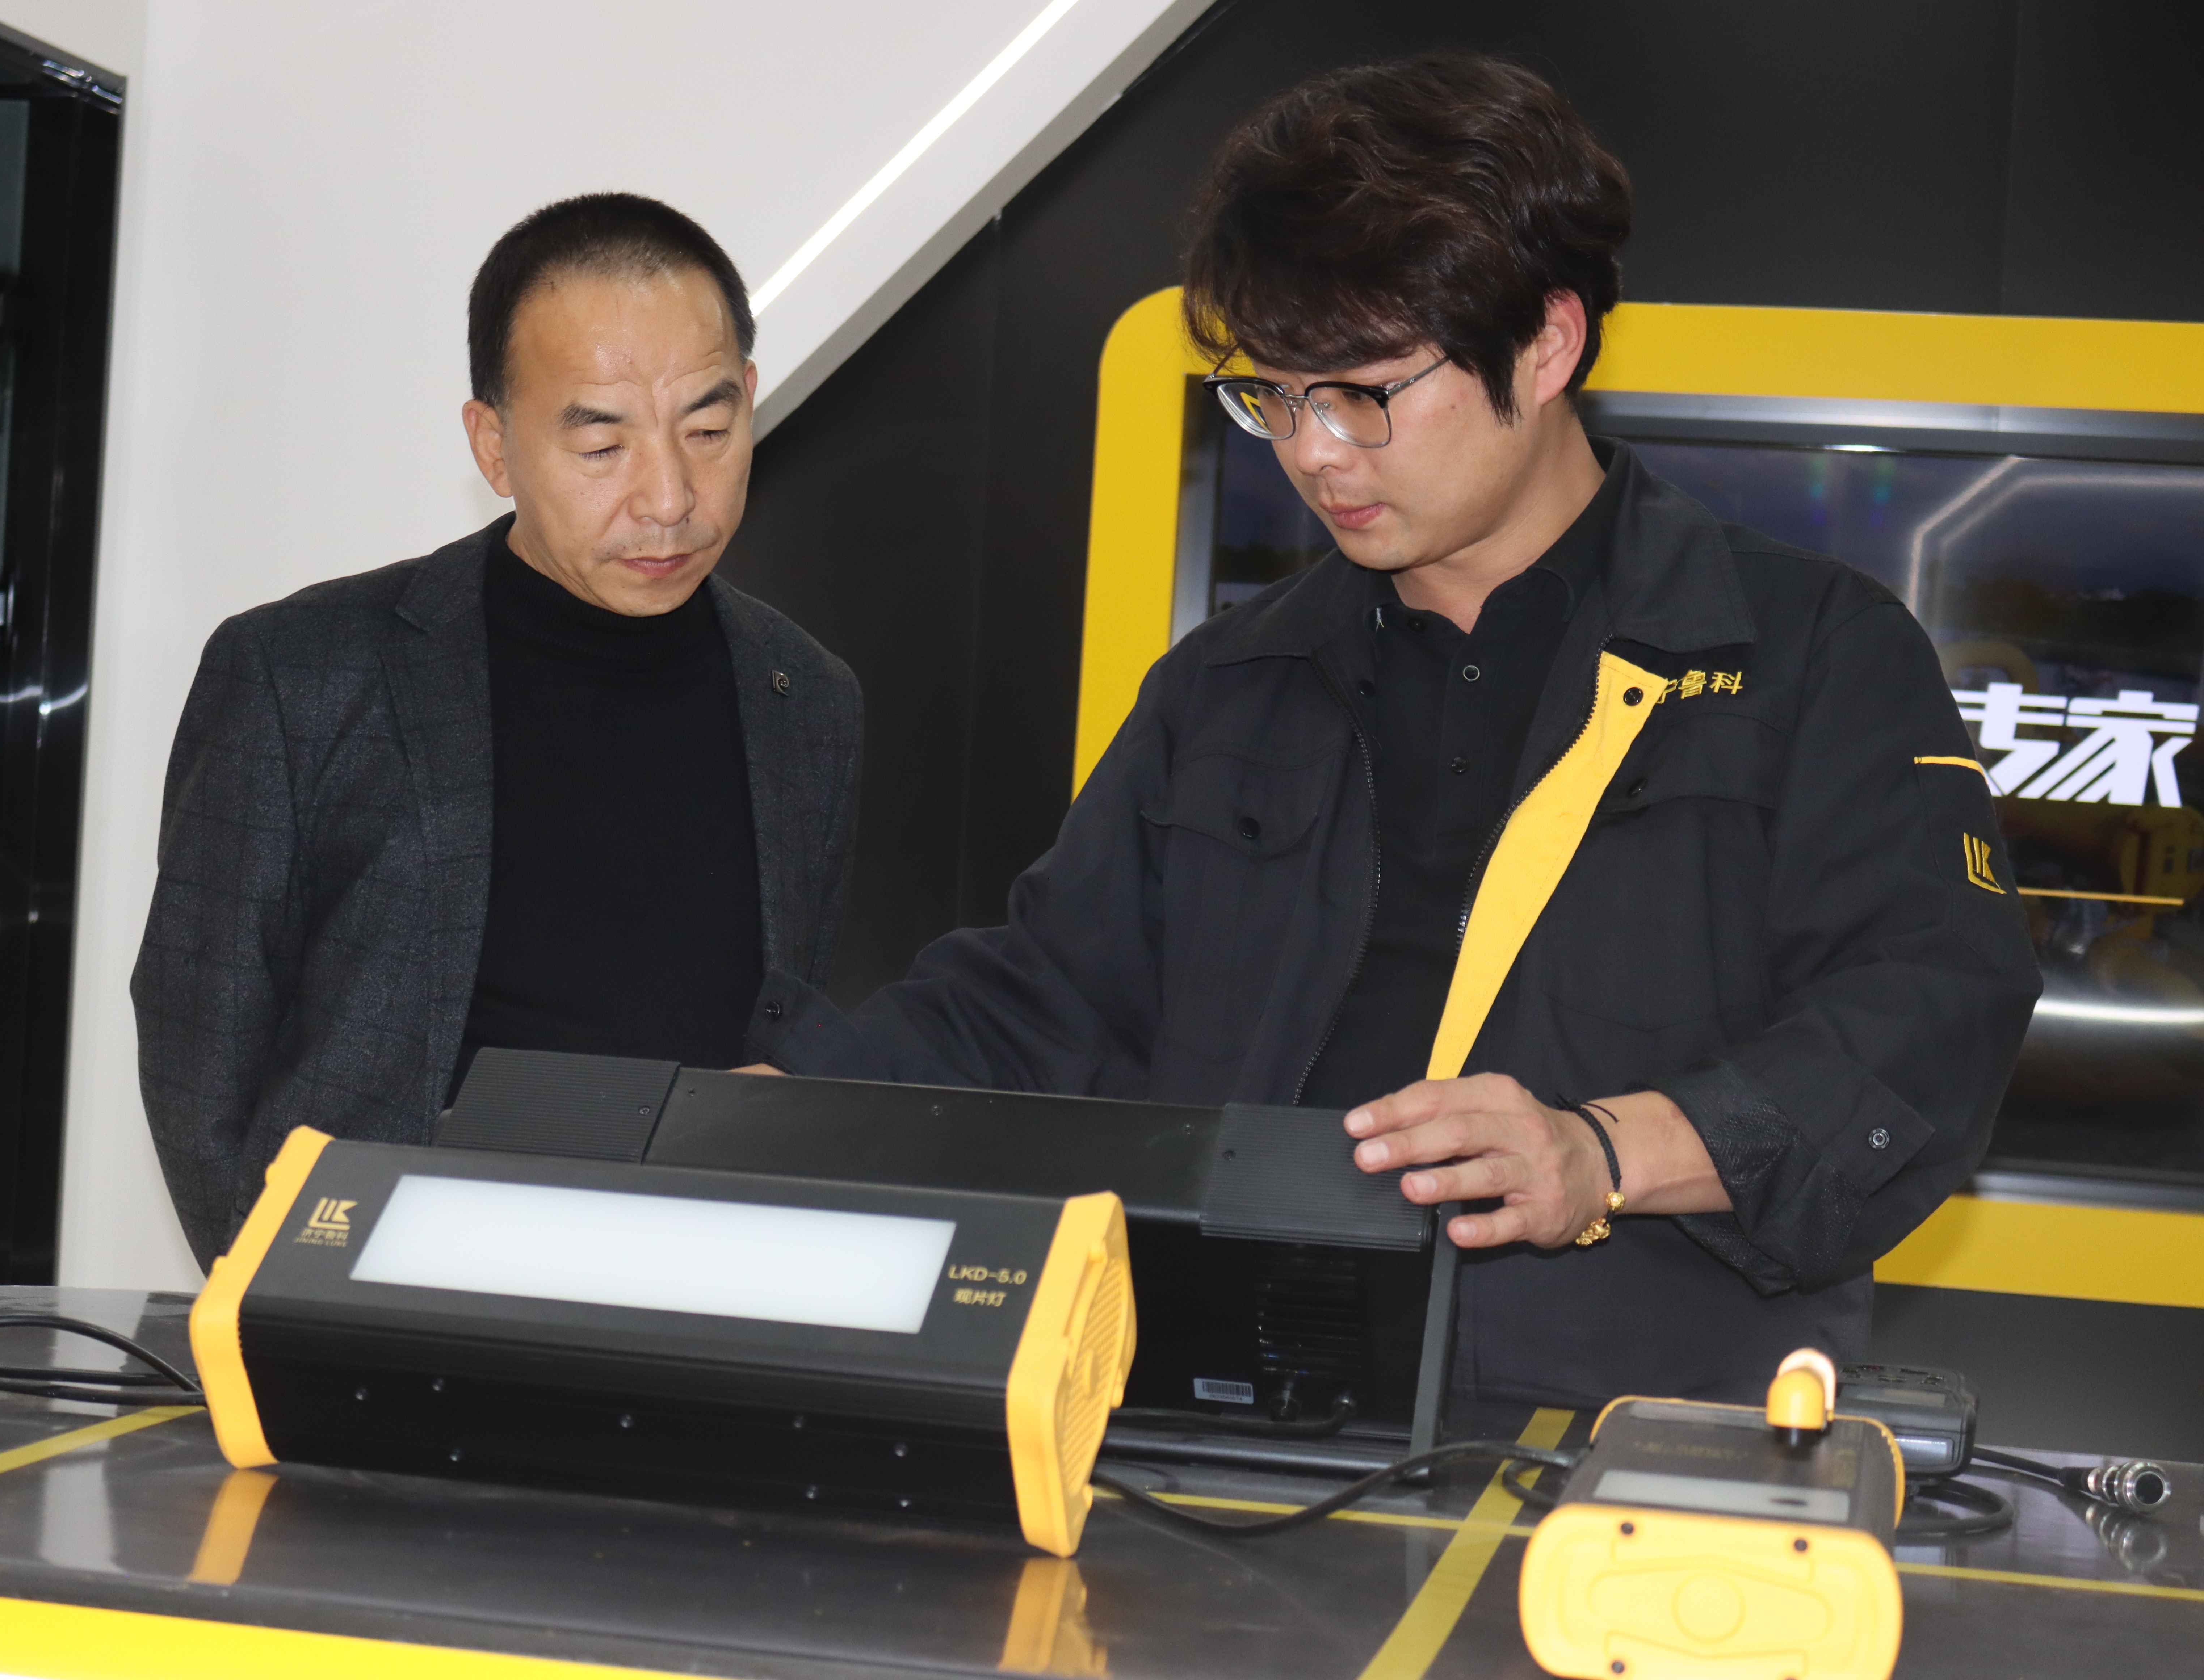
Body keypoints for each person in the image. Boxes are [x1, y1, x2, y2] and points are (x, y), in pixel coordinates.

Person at [745, 56, 2040, 1406]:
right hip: (1240, 1426)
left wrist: (1603, 1153)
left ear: (1547, 345)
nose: (1312, 452)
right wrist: (777, 1102)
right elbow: (1046, 1000)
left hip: (1629, 1448)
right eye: (1273, 394)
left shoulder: (1808, 655)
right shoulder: (1228, 686)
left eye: (1363, 392)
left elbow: (1927, 1016)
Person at [136, 194, 861, 1267]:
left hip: (693, 1295)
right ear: (494, 446)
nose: (671, 498)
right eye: (603, 444)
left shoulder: (808, 700)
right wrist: (287, 1306)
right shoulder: (303, 675)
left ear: (750, 400)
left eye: (709, 431)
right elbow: (200, 1053)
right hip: (378, 1302)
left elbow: (783, 1034)